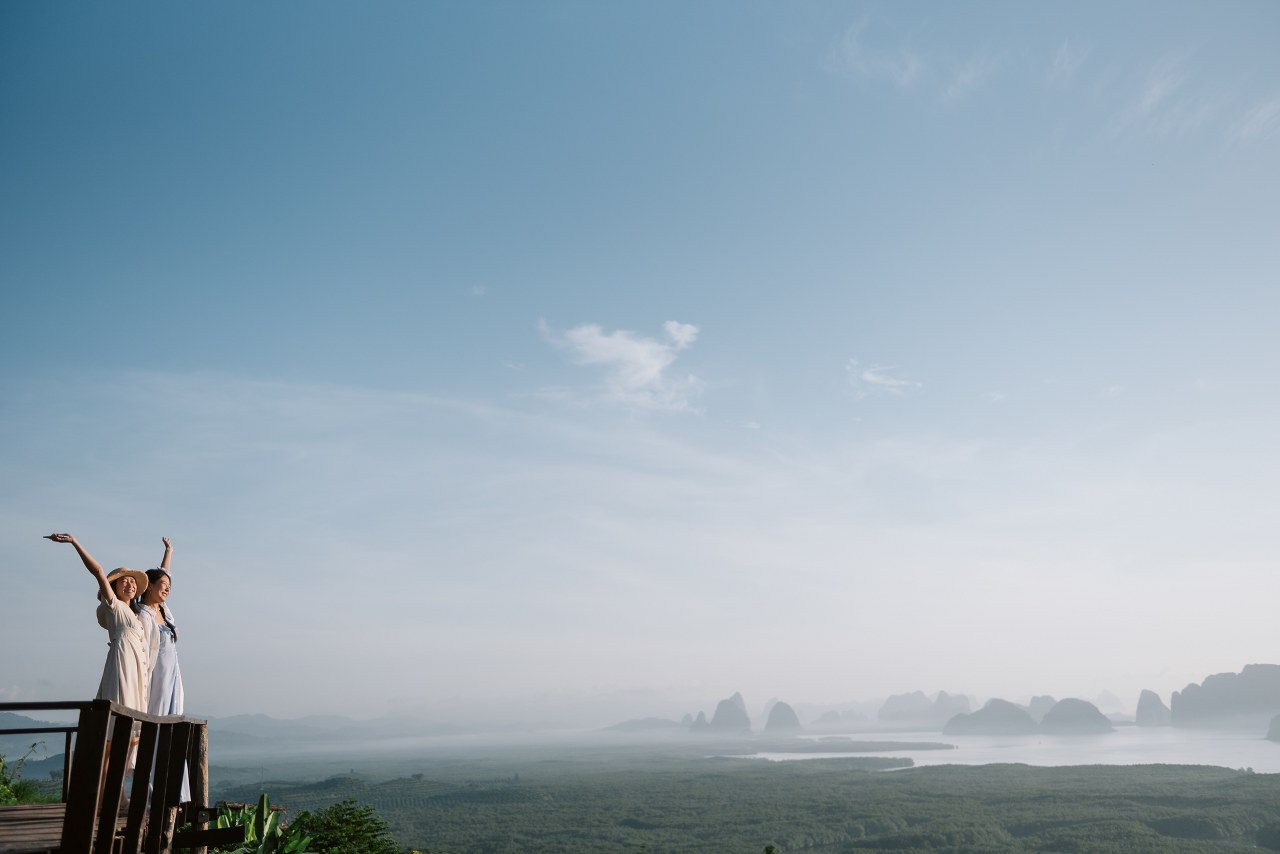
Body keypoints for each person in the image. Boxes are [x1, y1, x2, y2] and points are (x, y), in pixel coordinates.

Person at [47, 533, 158, 713]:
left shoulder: (138, 616)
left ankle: (128, 740)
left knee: (135, 708)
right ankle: (112, 739)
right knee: (122, 702)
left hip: (137, 665)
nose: (130, 584)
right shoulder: (115, 607)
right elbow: (98, 571)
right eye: (124, 581)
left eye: (133, 581)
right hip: (123, 660)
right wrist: (74, 542)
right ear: (113, 587)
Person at [138, 536, 190, 802]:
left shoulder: (164, 611)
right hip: (156, 680)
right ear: (149, 587)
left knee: (173, 730)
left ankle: (174, 794)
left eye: (169, 586)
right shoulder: (144, 615)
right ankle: (151, 796)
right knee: (155, 731)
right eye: (162, 585)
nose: (167, 588)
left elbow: (164, 573)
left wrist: (169, 551)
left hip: (173, 680)